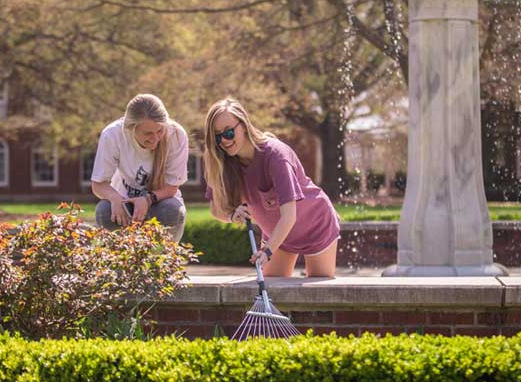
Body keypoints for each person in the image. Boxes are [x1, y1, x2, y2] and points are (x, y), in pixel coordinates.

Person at [203, 97, 339, 277]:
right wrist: (232, 215)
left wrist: (267, 252)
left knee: (318, 297)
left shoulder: (276, 156)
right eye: (217, 136)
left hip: (314, 227)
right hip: (278, 236)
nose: (224, 141)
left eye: (228, 133)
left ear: (243, 125)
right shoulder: (223, 164)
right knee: (272, 291)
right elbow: (215, 210)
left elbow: (289, 215)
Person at [91, 94, 189, 241]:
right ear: (130, 128)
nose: (155, 138)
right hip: (125, 202)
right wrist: (115, 198)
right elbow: (98, 184)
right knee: (104, 211)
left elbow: (172, 187)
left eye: (159, 131)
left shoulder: (176, 135)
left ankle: (164, 260)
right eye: (148, 133)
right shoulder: (113, 135)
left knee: (172, 210)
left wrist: (147, 199)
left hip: (160, 202)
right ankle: (119, 260)